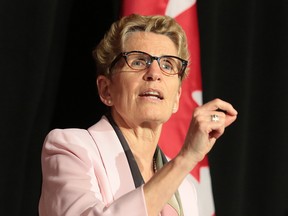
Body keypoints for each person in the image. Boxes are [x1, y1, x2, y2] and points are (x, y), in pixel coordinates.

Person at [38, 13, 237, 216]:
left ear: (177, 98)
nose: (155, 73)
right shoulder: (71, 148)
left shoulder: (185, 188)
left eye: (168, 64)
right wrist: (185, 159)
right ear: (106, 90)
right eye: (139, 61)